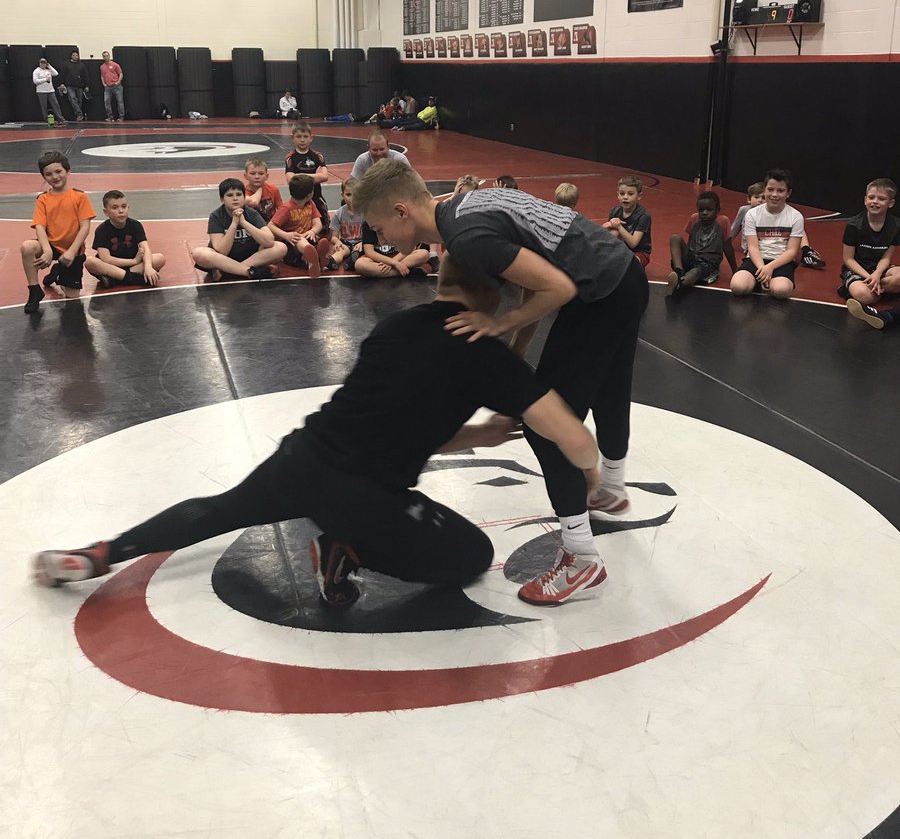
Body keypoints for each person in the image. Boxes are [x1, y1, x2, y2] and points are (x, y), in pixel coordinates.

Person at [33, 255, 606, 611]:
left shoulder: (394, 327)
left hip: (304, 457)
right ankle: (344, 547)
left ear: (441, 280)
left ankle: (100, 553)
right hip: (363, 495)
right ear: (494, 295)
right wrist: (594, 478)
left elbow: (397, 427)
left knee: (219, 509)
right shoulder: (485, 353)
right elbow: (573, 437)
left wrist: (475, 435)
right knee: (472, 555)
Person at [352, 159, 649, 605]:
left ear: (401, 211)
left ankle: (582, 559)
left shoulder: (465, 238)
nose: (382, 239)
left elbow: (556, 289)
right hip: (621, 274)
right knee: (610, 387)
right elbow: (534, 275)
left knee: (546, 429)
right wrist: (516, 350)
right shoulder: (462, 207)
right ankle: (611, 487)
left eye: (379, 228)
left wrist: (499, 324)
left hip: (599, 292)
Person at [21, 151, 94, 313]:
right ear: (43, 177)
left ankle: (57, 271)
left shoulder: (79, 197)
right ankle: (34, 290)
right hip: (51, 245)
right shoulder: (43, 199)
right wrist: (47, 250)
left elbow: (85, 227)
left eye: (58, 171)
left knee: (72, 296)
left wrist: (72, 251)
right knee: (27, 247)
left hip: (73, 250)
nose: (54, 177)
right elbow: (39, 226)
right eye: (48, 174)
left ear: (68, 171)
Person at [191, 178, 287, 281]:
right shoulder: (216, 216)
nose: (235, 198)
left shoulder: (252, 213)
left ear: (244, 197)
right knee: (198, 253)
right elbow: (222, 251)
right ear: (222, 199)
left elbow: (269, 241)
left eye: (239, 194)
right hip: (224, 259)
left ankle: (229, 271)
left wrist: (244, 223)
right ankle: (249, 272)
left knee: (281, 247)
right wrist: (234, 224)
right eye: (230, 195)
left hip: (251, 257)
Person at [729, 168, 803, 300]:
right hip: (756, 260)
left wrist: (770, 267)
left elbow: (792, 251)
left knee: (781, 291)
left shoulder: (796, 217)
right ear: (764, 190)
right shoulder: (752, 214)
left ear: (788, 193)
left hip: (781, 262)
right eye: (770, 189)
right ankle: (760, 280)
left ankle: (768, 281)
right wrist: (763, 269)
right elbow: (752, 247)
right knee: (738, 287)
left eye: (780, 191)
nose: (774, 194)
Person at [839, 177, 900, 330]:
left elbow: (886, 257)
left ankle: (876, 291)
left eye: (881, 199)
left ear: (891, 203)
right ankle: (868, 290)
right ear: (865, 200)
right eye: (871, 197)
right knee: (863, 295)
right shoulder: (854, 225)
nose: (875, 202)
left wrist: (877, 274)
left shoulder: (895, 225)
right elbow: (848, 259)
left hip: (880, 270)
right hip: (858, 270)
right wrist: (869, 277)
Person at [85, 190, 166, 289]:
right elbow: (107, 259)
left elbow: (146, 248)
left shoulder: (135, 225)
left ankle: (114, 280)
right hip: (112, 267)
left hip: (132, 268)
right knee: (90, 262)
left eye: (123, 206)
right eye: (115, 208)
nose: (121, 211)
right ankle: (136, 279)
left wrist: (148, 267)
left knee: (160, 258)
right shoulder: (102, 230)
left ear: (128, 207)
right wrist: (133, 261)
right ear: (106, 212)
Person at [666, 191, 737, 296]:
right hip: (693, 257)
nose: (704, 213)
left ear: (717, 210)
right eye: (701, 210)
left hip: (708, 263)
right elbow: (691, 241)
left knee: (694, 273)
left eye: (709, 210)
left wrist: (735, 270)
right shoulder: (694, 218)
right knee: (675, 238)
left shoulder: (722, 221)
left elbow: (727, 246)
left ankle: (680, 283)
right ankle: (679, 271)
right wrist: (685, 258)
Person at [269, 175, 331, 277]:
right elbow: (271, 226)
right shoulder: (286, 208)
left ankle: (314, 258)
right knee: (300, 239)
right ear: (309, 194)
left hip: (307, 237)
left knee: (315, 238)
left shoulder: (310, 204)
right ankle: (311, 256)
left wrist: (313, 231)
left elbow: (318, 223)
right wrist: (286, 235)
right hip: (290, 243)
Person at [355, 212, 434, 279]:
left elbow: (410, 247)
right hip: (378, 259)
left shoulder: (399, 221)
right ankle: (406, 271)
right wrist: (393, 263)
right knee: (360, 264)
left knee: (423, 254)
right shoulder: (369, 223)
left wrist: (394, 261)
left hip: (399, 257)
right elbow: (369, 252)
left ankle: (385, 273)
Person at [284, 120, 329, 232]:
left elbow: (325, 176)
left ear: (311, 138)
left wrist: (299, 175)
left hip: (316, 197)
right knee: (300, 227)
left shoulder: (318, 156)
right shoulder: (290, 157)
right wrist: (316, 176)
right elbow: (291, 180)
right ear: (292, 137)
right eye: (299, 136)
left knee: (324, 229)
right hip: (298, 200)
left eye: (305, 136)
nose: (302, 140)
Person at [605, 175, 652, 267]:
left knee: (630, 264)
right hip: (621, 249)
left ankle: (632, 266)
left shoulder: (643, 215)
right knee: (612, 234)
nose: (625, 197)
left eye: (630, 194)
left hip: (639, 252)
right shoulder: (615, 211)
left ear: (639, 196)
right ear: (618, 195)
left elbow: (633, 243)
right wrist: (606, 227)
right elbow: (606, 238)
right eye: (622, 194)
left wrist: (619, 227)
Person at [326, 179, 364, 272]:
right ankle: (331, 261)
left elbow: (372, 233)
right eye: (348, 195)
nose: (352, 198)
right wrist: (337, 242)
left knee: (361, 251)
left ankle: (352, 261)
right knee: (341, 251)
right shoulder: (339, 213)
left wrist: (363, 242)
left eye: (355, 195)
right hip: (345, 243)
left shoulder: (365, 213)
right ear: (342, 195)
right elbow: (334, 237)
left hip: (361, 242)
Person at [731, 182, 765, 257]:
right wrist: (726, 243)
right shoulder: (744, 210)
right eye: (756, 197)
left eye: (763, 198)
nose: (760, 200)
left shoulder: (769, 214)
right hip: (747, 248)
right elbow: (735, 228)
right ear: (749, 199)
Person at [242, 158, 282, 222]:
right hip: (251, 225)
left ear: (267, 176)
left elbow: (281, 209)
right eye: (252, 173)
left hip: (271, 224)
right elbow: (252, 203)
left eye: (261, 173)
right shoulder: (241, 192)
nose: (257, 177)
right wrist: (260, 189)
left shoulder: (273, 189)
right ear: (245, 176)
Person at [32, 58, 67, 126]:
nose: (43, 64)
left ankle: (60, 118)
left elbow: (56, 73)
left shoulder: (48, 70)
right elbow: (35, 81)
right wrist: (45, 79)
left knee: (55, 104)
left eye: (44, 63)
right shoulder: (36, 71)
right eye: (42, 63)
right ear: (39, 64)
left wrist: (49, 66)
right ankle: (46, 118)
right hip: (41, 91)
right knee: (44, 106)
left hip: (50, 90)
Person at [60, 51, 90, 122]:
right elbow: (62, 75)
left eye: (76, 55)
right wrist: (61, 83)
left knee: (79, 101)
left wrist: (87, 85)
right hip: (70, 85)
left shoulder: (81, 65)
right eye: (74, 55)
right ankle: (79, 114)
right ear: (71, 56)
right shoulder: (66, 64)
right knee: (72, 99)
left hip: (79, 86)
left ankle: (78, 116)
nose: (75, 56)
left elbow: (86, 75)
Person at [100, 51, 125, 122]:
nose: (106, 57)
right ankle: (110, 117)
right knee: (106, 102)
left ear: (109, 56)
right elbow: (102, 76)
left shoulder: (115, 65)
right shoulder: (102, 67)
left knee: (120, 102)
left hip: (117, 86)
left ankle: (121, 117)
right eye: (104, 56)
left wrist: (118, 82)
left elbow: (120, 74)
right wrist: (104, 83)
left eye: (107, 56)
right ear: (103, 57)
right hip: (107, 87)